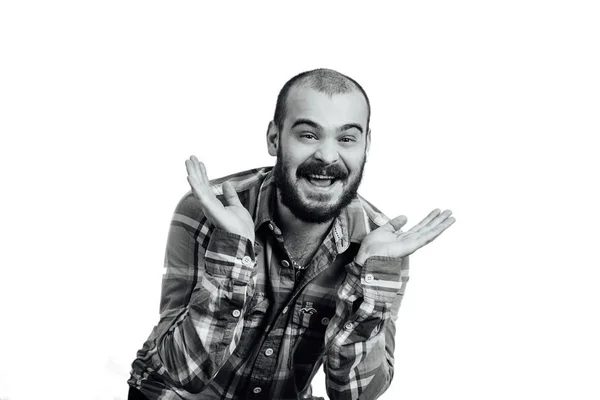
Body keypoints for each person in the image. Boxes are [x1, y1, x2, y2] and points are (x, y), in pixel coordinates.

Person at [127, 68, 455, 400]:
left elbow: (355, 395)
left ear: (366, 145)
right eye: (308, 135)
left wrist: (371, 281)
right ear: (274, 139)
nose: (327, 156)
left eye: (346, 138)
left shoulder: (381, 245)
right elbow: (182, 371)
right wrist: (233, 250)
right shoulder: (208, 211)